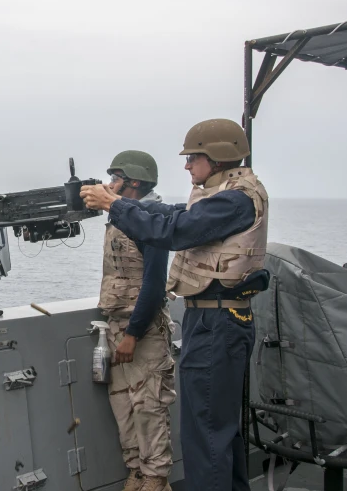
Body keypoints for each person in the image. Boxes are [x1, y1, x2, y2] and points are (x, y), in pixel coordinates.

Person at [80, 119, 269, 491]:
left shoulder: (235, 199)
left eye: (193, 157)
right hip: (215, 318)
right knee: (220, 431)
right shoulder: (226, 195)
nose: (186, 166)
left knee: (205, 435)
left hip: (218, 322)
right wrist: (122, 204)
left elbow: (172, 232)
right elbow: (173, 216)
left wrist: (115, 204)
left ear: (216, 158)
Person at [97, 150, 176, 491]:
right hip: (117, 325)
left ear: (135, 182)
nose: (109, 183)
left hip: (141, 331)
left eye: (115, 177)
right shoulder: (121, 216)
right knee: (123, 404)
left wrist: (132, 334)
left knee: (148, 406)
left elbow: (155, 285)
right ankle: (137, 473)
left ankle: (156, 479)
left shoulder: (152, 218)